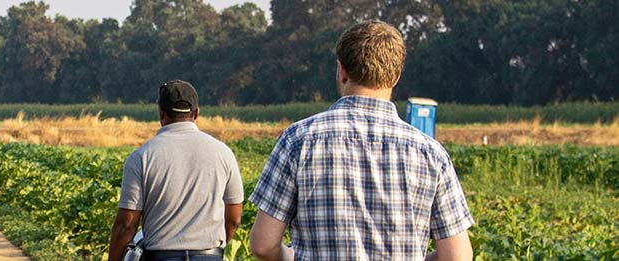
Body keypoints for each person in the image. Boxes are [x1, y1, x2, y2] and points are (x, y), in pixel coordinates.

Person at [247, 20, 474, 260]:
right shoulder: (431, 153)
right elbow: (457, 256)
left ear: (342, 70)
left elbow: (263, 244)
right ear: (395, 76)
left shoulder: (298, 140)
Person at [108, 80, 244, 261]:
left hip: (161, 256)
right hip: (209, 256)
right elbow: (234, 219)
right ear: (196, 113)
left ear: (161, 114)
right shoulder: (223, 153)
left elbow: (126, 226)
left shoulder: (141, 157)